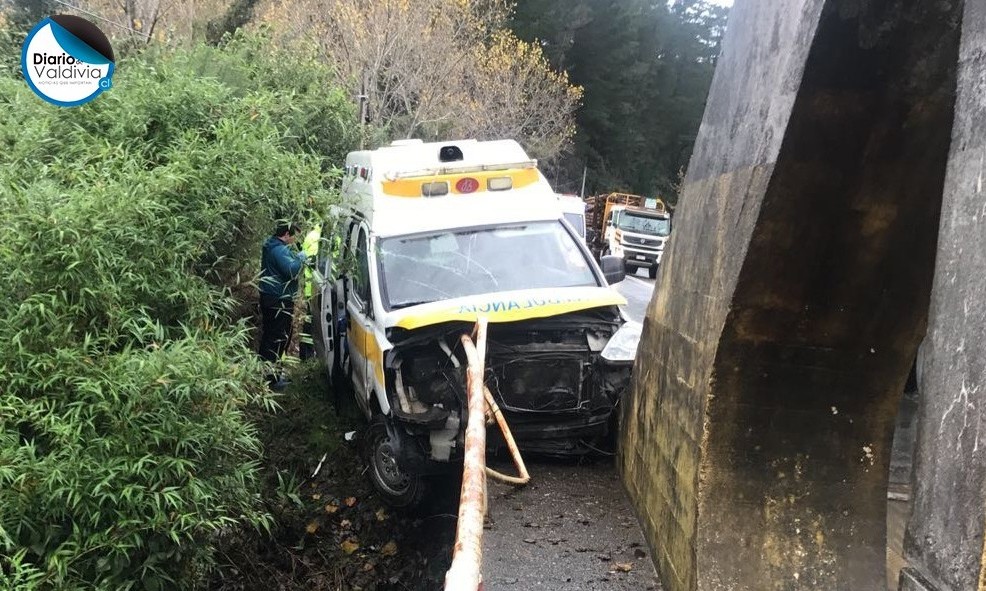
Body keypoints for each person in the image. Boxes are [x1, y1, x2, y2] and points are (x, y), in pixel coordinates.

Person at [258, 221, 307, 390]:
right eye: (293, 236)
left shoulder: (270, 245)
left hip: (270, 297)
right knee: (277, 337)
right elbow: (291, 271)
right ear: (286, 234)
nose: (294, 240)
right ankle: (271, 380)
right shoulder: (279, 250)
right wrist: (301, 258)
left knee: (271, 336)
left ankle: (270, 374)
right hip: (278, 300)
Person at [298, 223, 322, 360]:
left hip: (313, 287)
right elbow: (314, 263)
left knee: (310, 322)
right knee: (311, 323)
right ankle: (306, 355)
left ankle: (307, 355)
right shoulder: (315, 237)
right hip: (313, 288)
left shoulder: (314, 235)